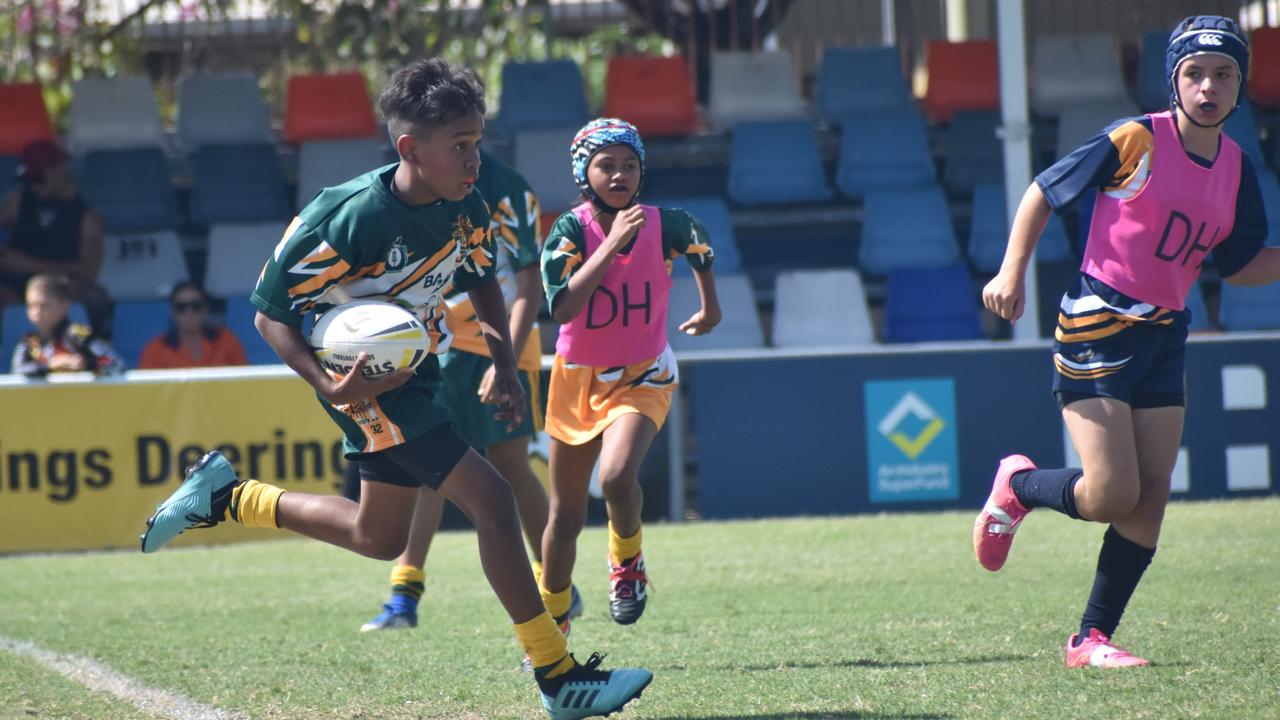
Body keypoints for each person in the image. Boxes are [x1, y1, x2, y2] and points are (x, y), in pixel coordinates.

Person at [138, 59, 652, 719]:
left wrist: (505, 363)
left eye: (477, 142)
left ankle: (227, 495)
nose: (475, 159)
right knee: (491, 501)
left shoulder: (463, 201)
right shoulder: (348, 217)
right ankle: (558, 677)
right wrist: (330, 383)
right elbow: (270, 314)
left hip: (417, 372)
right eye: (460, 145)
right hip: (369, 385)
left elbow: (480, 279)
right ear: (410, 148)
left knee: (376, 535)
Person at [974, 15, 1278, 668]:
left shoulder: (1236, 168)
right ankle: (1020, 487)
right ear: (1173, 79)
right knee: (1112, 495)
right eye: (1195, 73)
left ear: (1240, 83)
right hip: (1096, 323)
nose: (1209, 87)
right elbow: (1041, 193)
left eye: (1224, 74)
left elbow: (1241, 264)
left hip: (1166, 331)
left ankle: (1091, 639)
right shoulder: (1136, 138)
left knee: (1152, 493)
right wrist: (1010, 270)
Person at [357, 149, 583, 634]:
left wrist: (507, 360)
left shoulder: (508, 189)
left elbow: (527, 286)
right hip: (433, 341)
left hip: (498, 344)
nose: (461, 150)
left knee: (510, 468)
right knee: (428, 467)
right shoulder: (411, 187)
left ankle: (557, 583)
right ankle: (404, 594)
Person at [538, 118, 721, 631]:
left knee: (617, 476)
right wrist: (610, 244)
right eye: (606, 166)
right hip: (576, 379)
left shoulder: (668, 222)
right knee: (565, 516)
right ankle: (551, 627)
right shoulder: (570, 229)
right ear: (583, 172)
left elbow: (701, 249)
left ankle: (628, 567)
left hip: (644, 372)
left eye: (629, 165)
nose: (619, 175)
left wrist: (710, 308)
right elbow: (563, 307)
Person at [0, 140, 111, 334]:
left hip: (60, 286)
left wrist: (28, 265)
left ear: (58, 170)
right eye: (29, 179)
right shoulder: (18, 201)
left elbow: (88, 272)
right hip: (13, 284)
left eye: (38, 178)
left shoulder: (87, 217)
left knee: (92, 297)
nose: (33, 185)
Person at [11, 272, 123, 377]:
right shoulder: (31, 342)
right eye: (31, 306)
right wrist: (50, 365)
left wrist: (86, 365)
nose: (37, 312)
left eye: (44, 305)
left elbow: (114, 363)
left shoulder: (78, 335)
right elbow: (17, 370)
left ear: (64, 305)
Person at [137, 282, 248, 369]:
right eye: (182, 307)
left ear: (205, 309)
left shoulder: (226, 340)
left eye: (196, 306)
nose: (189, 312)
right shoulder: (155, 350)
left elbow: (246, 380)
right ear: (172, 312)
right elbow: (146, 393)